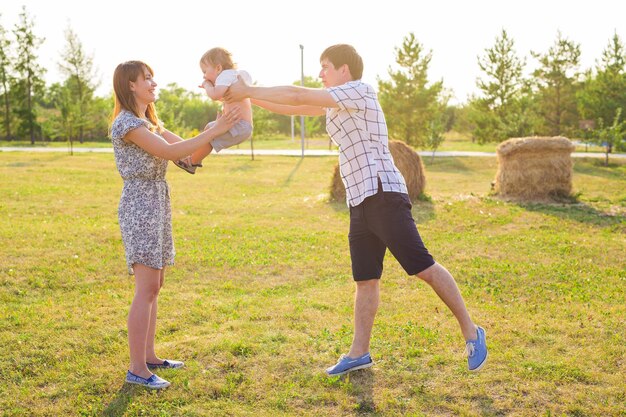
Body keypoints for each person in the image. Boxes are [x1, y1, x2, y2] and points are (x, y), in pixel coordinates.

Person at [225, 44, 487, 376]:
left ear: (344, 70)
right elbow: (296, 107)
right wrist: (246, 99)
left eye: (325, 67)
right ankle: (359, 352)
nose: (320, 74)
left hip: (383, 192)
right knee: (365, 280)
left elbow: (294, 94)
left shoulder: (360, 91)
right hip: (360, 199)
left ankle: (472, 331)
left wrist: (247, 89)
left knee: (422, 266)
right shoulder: (336, 104)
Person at [110, 60, 240, 389]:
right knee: (146, 288)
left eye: (153, 78)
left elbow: (185, 155)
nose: (154, 83)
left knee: (155, 285)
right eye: (147, 79)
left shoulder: (149, 121)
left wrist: (219, 135)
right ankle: (137, 369)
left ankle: (150, 356)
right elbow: (169, 152)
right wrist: (215, 129)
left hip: (157, 202)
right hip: (140, 205)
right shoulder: (127, 123)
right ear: (130, 86)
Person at [175, 47, 253, 174]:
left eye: (205, 71)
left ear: (218, 68)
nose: (204, 76)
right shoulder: (232, 77)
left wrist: (207, 86)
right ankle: (194, 159)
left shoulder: (226, 75)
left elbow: (215, 95)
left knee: (210, 134)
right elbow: (223, 97)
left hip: (239, 126)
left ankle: (193, 161)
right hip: (240, 126)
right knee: (209, 130)